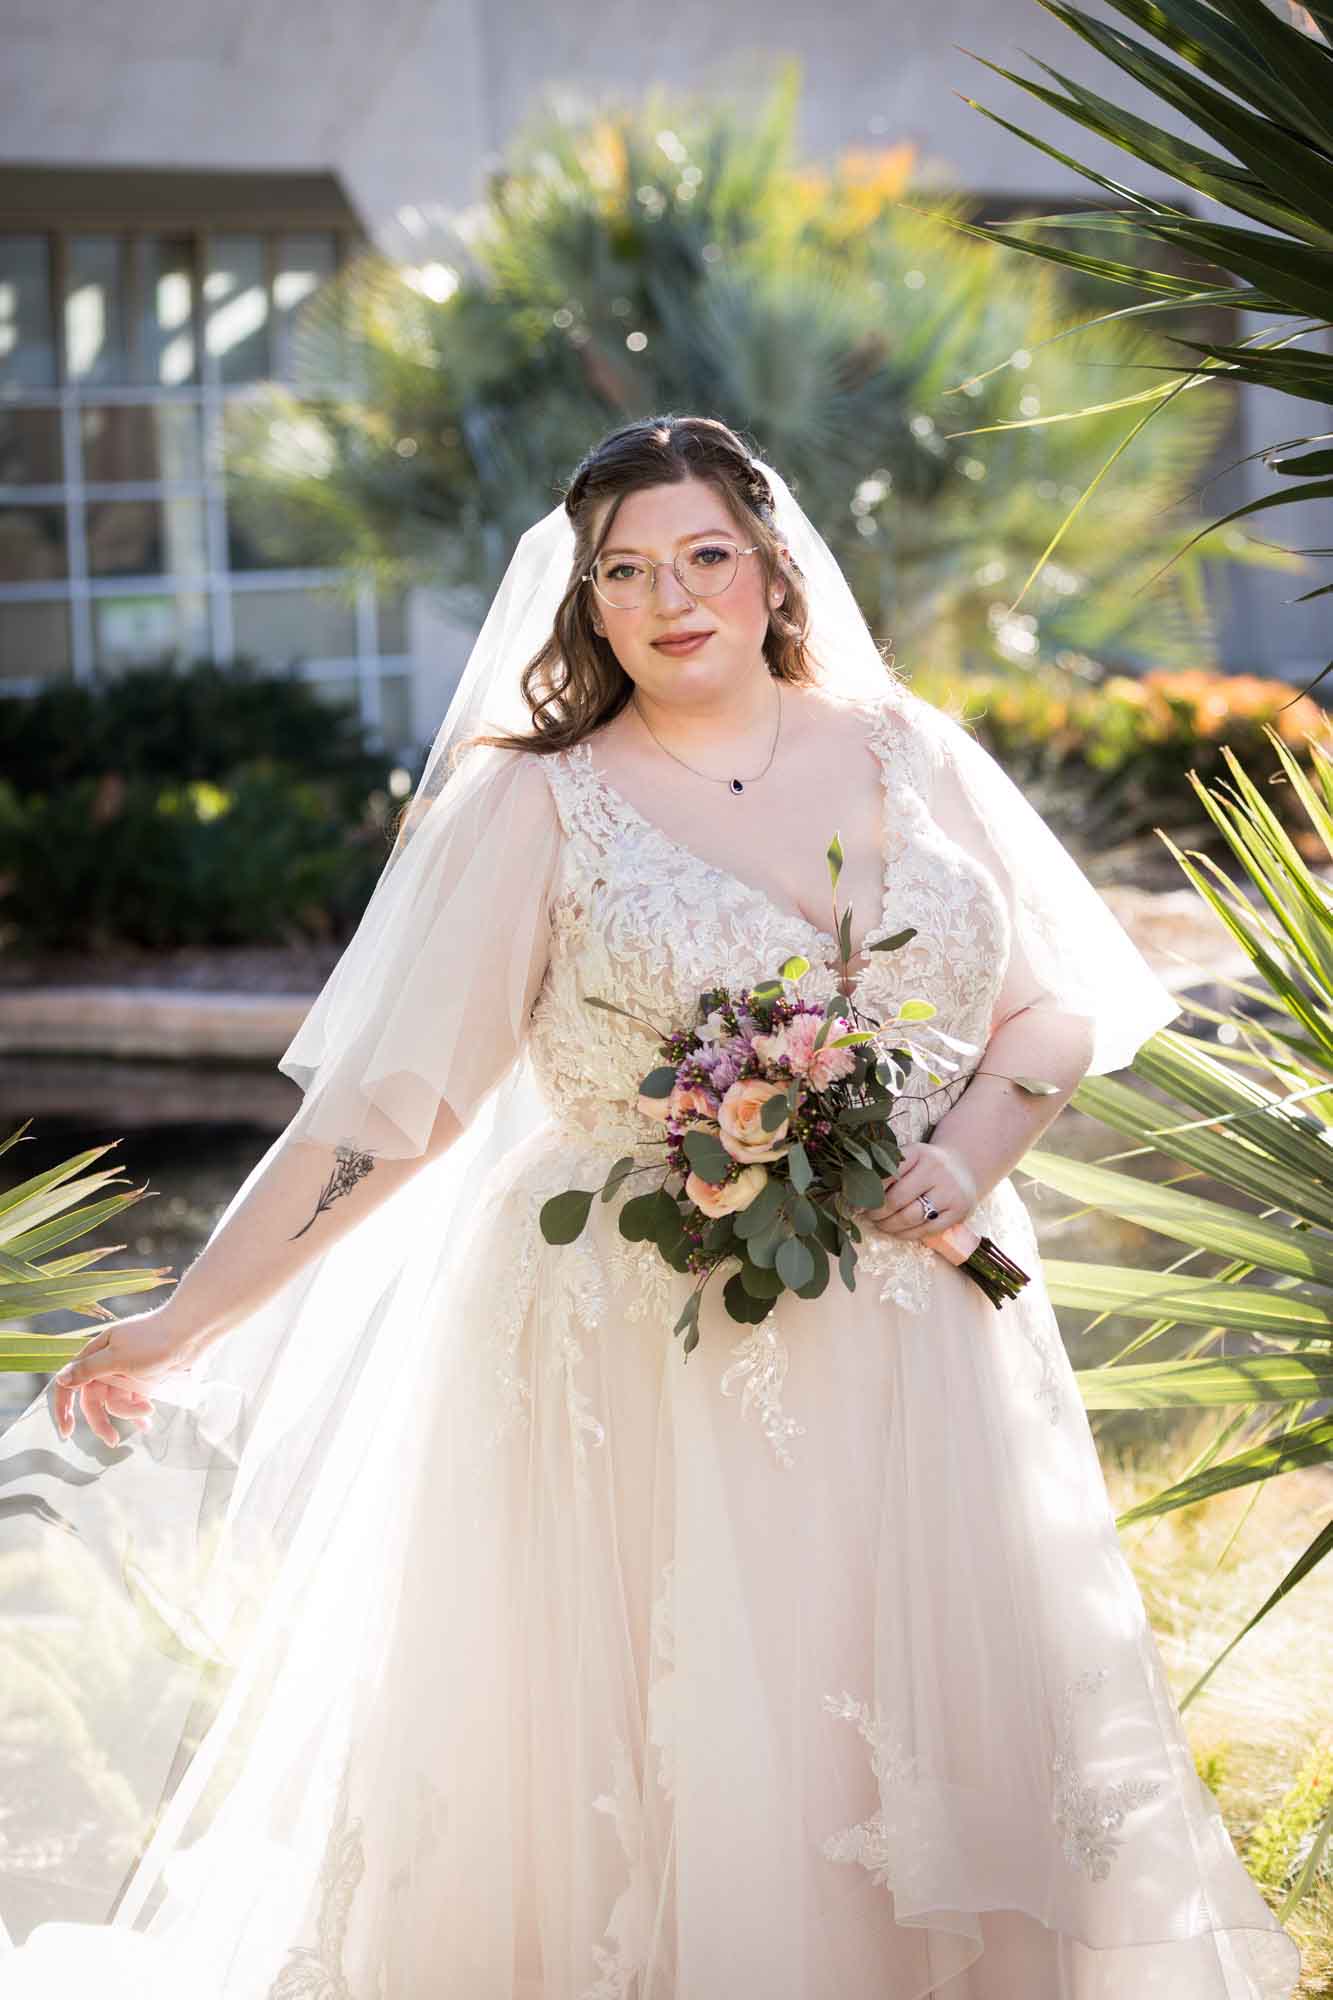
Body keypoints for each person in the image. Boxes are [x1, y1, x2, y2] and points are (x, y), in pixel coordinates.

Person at [0, 415, 1301, 1998]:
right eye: (625, 571)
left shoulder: (908, 749)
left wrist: (967, 1157)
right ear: (587, 605)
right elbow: (383, 1119)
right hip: (641, 1343)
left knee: (906, 1726)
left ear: (767, 568)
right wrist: (185, 1315)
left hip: (915, 1332)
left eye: (700, 556)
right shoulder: (538, 806)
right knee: (697, 1729)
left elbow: (1050, 1014)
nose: (668, 597)